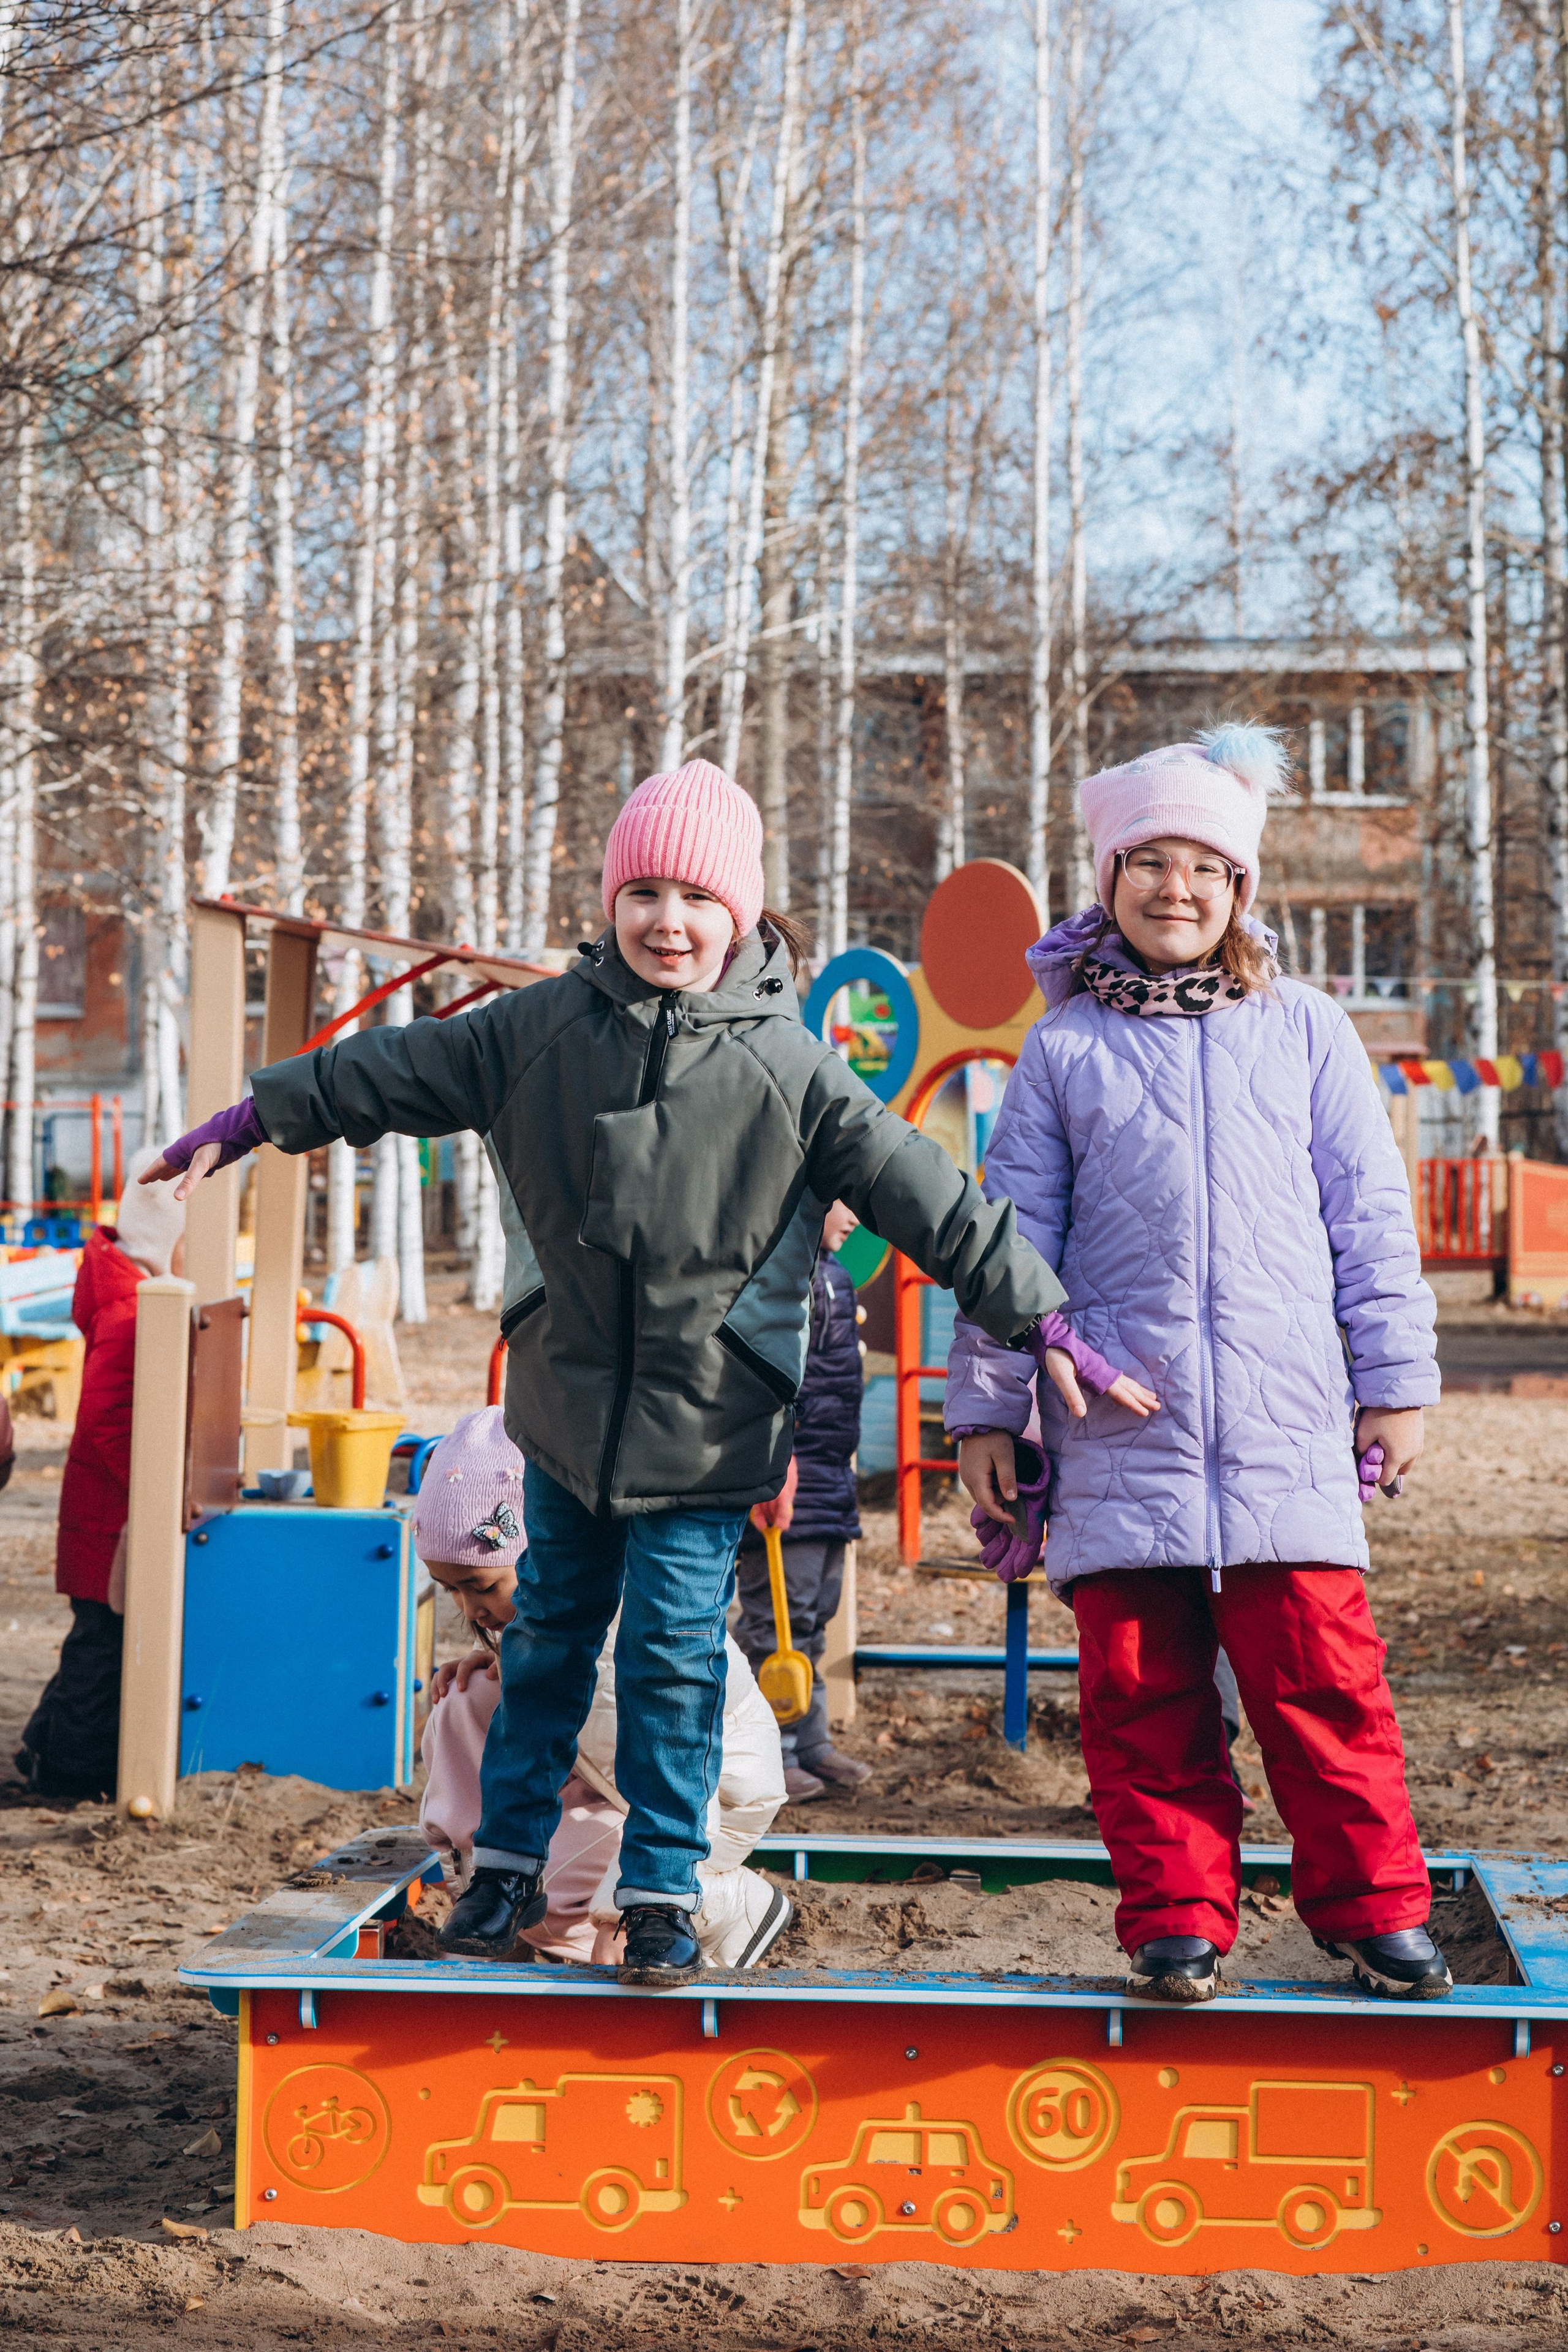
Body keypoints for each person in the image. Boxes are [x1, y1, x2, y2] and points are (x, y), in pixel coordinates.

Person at [142, 758, 1071, 1988]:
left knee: (673, 1663)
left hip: (706, 1433)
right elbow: (389, 1070)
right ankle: (505, 1875)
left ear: (737, 913)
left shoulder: (791, 1069)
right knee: (545, 1650)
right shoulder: (538, 1031)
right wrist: (258, 1117)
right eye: (642, 893)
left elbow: (928, 1197)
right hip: (567, 1418)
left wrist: (1042, 1319)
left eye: (695, 897)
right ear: (610, 902)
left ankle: (663, 1894)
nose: (666, 921)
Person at [945, 723, 1446, 2007]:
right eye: (1150, 864)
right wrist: (989, 1410)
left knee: (1324, 1682)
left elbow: (1370, 1218)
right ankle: (1175, 1919)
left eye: (1204, 869)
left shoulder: (1306, 1030)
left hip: (1285, 1425)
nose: (1177, 889)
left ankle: (1373, 1910)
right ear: (1107, 880)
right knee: (1139, 1695)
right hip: (1120, 1426)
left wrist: (1394, 1382)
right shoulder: (1064, 1050)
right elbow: (1010, 1243)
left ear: (1239, 889)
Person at [415, 1408, 790, 1969]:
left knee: (591, 1928)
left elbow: (676, 1774)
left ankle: (729, 1903)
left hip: (710, 1795)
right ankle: (491, 1884)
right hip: (613, 1780)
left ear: (542, 1561)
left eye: (482, 1586)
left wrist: (637, 1903)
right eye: (452, 1591)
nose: (470, 1609)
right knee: (466, 1700)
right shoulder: (538, 1631)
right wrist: (500, 1657)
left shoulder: (620, 1654)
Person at [17, 1151, 184, 1800]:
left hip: (107, 1513)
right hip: (110, 1520)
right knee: (101, 1647)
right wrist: (159, 1481)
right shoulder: (132, 1315)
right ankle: (68, 1774)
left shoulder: (128, 1301)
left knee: (96, 1642)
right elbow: (107, 1420)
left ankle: (42, 1744)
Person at [735, 1199, 867, 1803]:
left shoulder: (832, 1272)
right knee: (776, 1623)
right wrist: (772, 1459)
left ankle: (809, 1740)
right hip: (789, 1478)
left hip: (830, 1474)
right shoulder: (778, 1271)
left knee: (813, 1617)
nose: (856, 1218)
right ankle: (770, 1751)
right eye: (844, 1201)